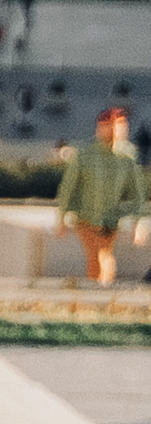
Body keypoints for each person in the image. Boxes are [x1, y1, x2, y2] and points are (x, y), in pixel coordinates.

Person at [57, 104, 149, 287]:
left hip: (110, 221)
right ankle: (100, 291)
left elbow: (137, 193)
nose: (115, 130)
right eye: (111, 125)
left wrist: (138, 224)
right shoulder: (84, 153)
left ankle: (100, 292)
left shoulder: (128, 156)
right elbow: (68, 187)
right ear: (101, 127)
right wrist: (61, 218)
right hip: (86, 217)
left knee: (104, 255)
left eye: (120, 125)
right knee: (97, 256)